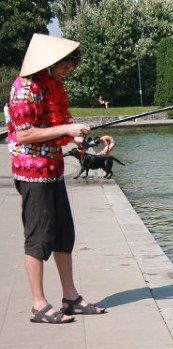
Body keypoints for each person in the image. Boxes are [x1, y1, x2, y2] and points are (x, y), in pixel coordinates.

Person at [7, 33, 106, 324]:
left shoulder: (51, 86)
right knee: (38, 238)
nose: (69, 71)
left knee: (64, 234)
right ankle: (39, 305)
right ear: (49, 62)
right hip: (31, 172)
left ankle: (70, 297)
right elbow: (24, 133)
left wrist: (75, 136)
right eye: (66, 65)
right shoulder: (24, 89)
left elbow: (53, 126)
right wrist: (67, 129)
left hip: (52, 169)